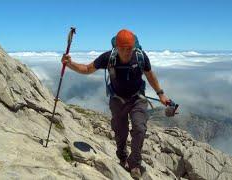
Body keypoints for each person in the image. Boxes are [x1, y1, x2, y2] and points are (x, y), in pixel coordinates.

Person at [61, 29, 171, 179]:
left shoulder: (140, 57)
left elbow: (150, 75)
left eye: (129, 48)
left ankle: (135, 164)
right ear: (116, 47)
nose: (126, 52)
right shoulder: (109, 57)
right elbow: (87, 69)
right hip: (117, 99)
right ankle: (122, 157)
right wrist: (70, 64)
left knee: (139, 128)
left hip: (137, 98)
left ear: (134, 47)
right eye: (123, 49)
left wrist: (161, 94)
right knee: (121, 132)